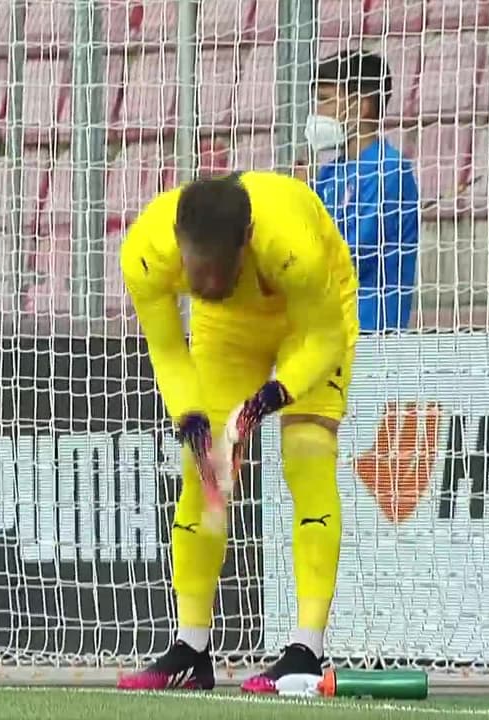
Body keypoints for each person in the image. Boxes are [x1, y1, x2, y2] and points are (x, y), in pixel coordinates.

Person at [115, 171, 358, 693]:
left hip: (310, 320)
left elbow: (325, 338)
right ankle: (190, 649)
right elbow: (167, 350)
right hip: (227, 328)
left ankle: (306, 651)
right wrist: (189, 416)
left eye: (218, 270)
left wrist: (272, 396)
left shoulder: (292, 246)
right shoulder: (145, 252)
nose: (204, 283)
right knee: (204, 472)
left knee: (308, 454)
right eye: (195, 271)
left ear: (247, 239)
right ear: (178, 240)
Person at [299, 50, 420, 332]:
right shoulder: (329, 173)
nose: (317, 114)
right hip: (325, 328)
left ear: (360, 106)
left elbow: (353, 254)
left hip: (371, 330)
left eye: (325, 100)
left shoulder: (388, 170)